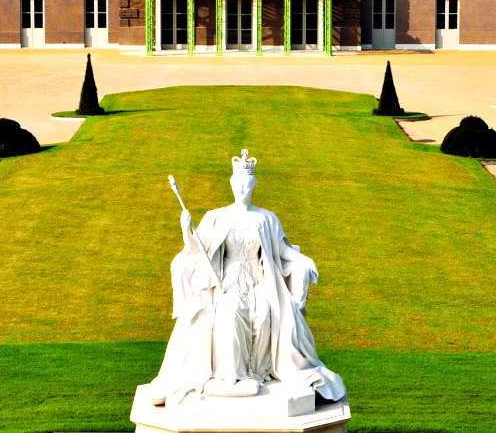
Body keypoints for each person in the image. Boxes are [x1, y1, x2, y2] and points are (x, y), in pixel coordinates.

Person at [139, 150, 345, 406]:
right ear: (232, 185)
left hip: (259, 278)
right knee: (232, 312)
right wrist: (185, 229)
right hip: (227, 279)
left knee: (265, 313)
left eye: (247, 185)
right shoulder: (217, 216)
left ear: (253, 185)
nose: (243, 190)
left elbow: (281, 251)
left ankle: (257, 373)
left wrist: (302, 260)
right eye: (239, 185)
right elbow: (196, 249)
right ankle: (231, 376)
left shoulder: (266, 218)